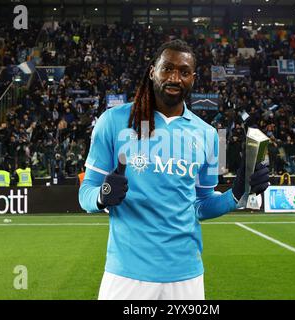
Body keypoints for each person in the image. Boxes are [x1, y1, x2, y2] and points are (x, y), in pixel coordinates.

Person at [79, 40, 270, 300]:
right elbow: (85, 193)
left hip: (186, 277)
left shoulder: (209, 134)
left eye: (183, 71)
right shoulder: (112, 121)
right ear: (152, 72)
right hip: (126, 275)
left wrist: (236, 194)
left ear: (193, 78)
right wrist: (102, 196)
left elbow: (201, 204)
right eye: (167, 69)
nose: (174, 78)